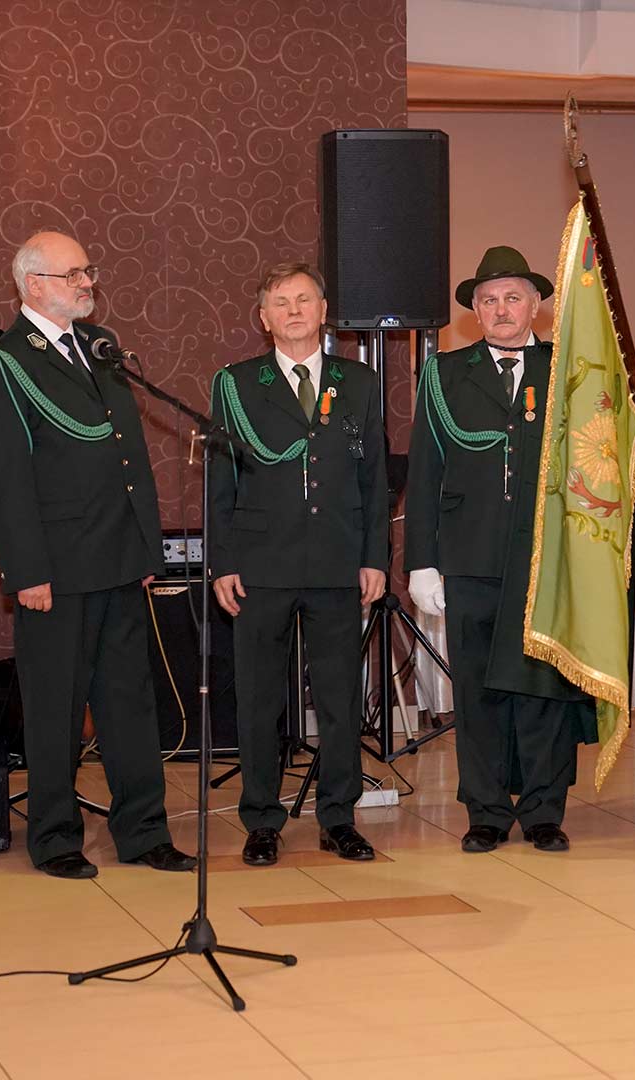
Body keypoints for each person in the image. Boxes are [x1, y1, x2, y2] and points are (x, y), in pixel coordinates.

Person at [0, 231, 194, 879]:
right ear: (33, 284)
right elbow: (4, 477)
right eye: (73, 274)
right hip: (56, 568)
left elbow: (131, 458)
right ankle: (55, 837)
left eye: (88, 271)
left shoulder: (100, 346)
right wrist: (26, 571)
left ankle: (143, 832)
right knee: (55, 708)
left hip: (119, 557)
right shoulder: (4, 362)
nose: (87, 283)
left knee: (130, 703)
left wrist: (146, 548)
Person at [404, 247, 595, 854]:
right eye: (488, 300)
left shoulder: (568, 368)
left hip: (547, 557)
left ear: (536, 305)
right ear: (475, 311)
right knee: (478, 690)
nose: (501, 309)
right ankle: (485, 811)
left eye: (513, 297)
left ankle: (543, 811)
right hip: (470, 556)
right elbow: (425, 471)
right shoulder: (444, 374)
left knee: (543, 688)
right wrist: (421, 561)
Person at [208, 263, 388, 865]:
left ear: (323, 310)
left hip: (338, 561)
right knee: (260, 699)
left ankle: (339, 817)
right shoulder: (236, 383)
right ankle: (262, 819)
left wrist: (374, 556)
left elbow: (374, 476)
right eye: (280, 302)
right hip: (260, 563)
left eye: (304, 300)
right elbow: (220, 479)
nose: (293, 311)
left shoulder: (357, 381)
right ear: (264, 318)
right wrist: (223, 561)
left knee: (340, 699)